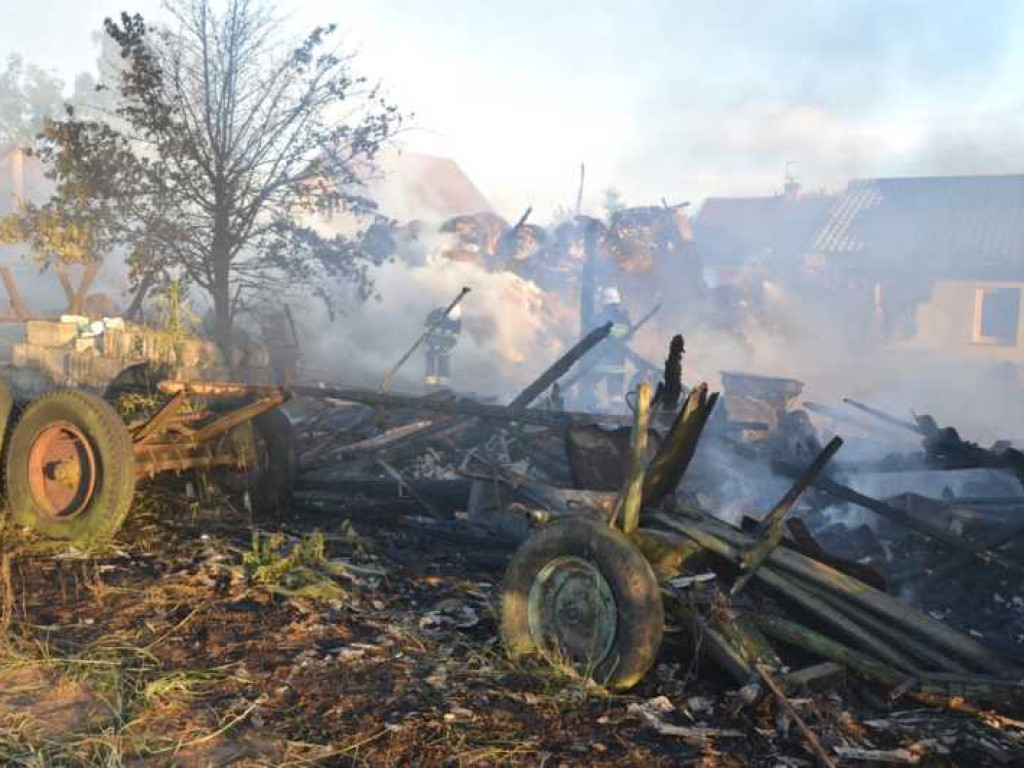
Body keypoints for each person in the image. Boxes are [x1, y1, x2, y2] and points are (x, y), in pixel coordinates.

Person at [423, 303, 462, 388]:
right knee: (431, 361)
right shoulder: (434, 314)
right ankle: (430, 384)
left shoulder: (457, 319)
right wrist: (430, 343)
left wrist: (448, 346)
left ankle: (443, 385)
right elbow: (426, 329)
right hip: (431, 344)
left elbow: (456, 335)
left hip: (445, 345)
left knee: (444, 362)